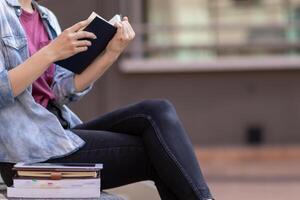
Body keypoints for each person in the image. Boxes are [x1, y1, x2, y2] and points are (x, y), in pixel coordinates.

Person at [0, 0, 214, 199]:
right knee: (159, 152)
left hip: (57, 135)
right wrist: (51, 52)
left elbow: (59, 91)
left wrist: (111, 52)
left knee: (157, 111)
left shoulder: (46, 17)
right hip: (26, 157)